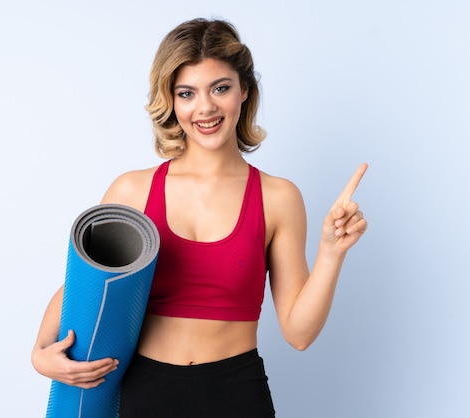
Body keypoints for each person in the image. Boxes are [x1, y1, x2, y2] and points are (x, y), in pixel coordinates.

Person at [32, 17, 367, 417]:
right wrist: (40, 353)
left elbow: (298, 333)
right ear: (171, 101)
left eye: (220, 88)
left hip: (237, 394)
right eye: (187, 93)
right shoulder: (132, 191)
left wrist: (331, 252)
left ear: (244, 90)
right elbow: (86, 286)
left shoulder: (278, 198)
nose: (205, 107)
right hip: (143, 391)